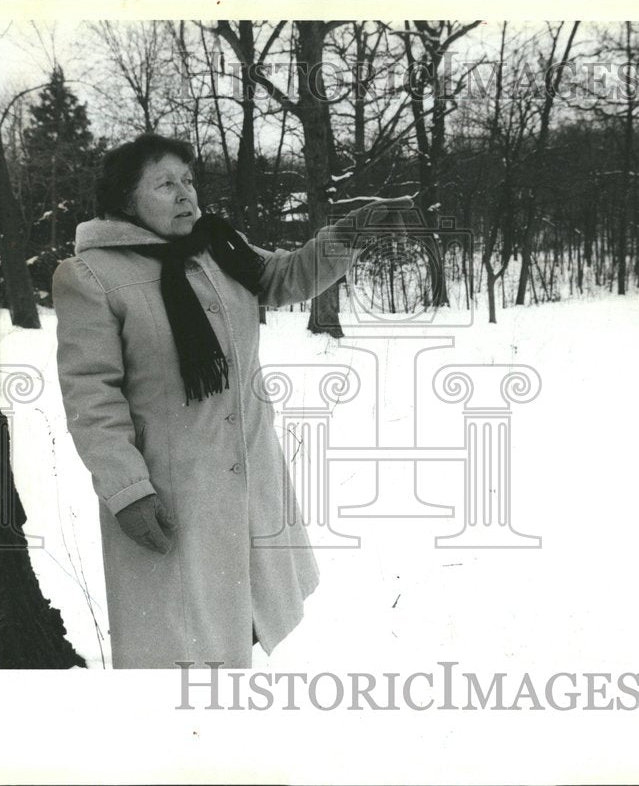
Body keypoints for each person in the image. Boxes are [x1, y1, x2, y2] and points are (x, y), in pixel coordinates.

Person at [52, 133, 403, 668]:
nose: (186, 195)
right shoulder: (92, 276)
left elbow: (283, 276)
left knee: (236, 625)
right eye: (165, 184)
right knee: (182, 643)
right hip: (173, 492)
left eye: (188, 181)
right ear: (126, 200)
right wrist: (128, 492)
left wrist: (350, 234)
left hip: (246, 473)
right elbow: (92, 399)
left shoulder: (215, 247)